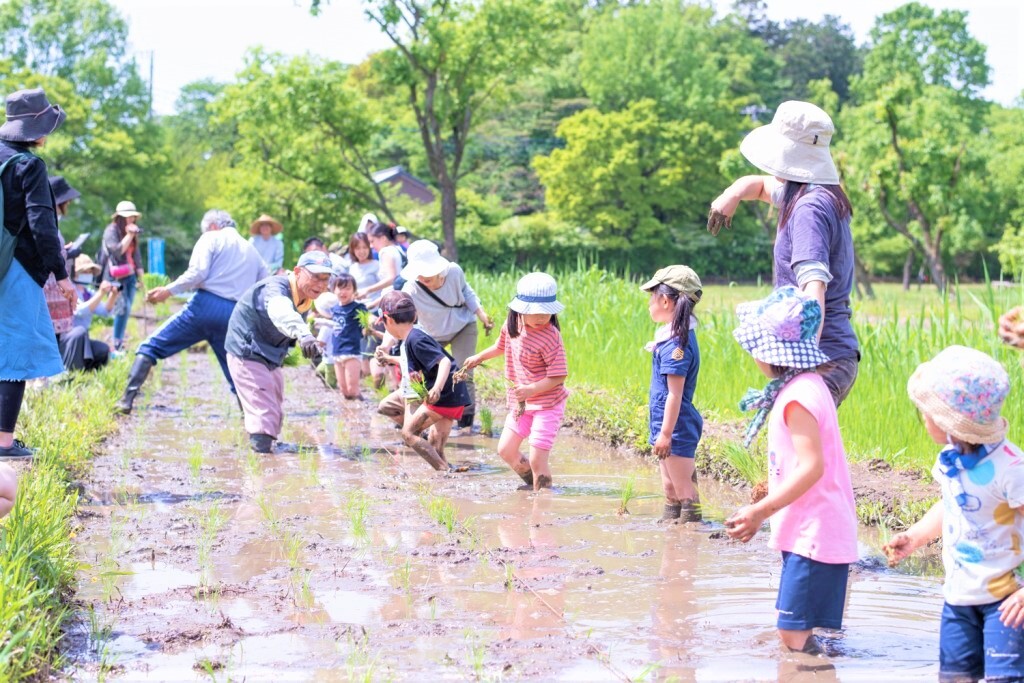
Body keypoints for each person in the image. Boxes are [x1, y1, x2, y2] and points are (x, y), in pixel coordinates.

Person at [724, 286, 857, 656]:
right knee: (797, 630)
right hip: (809, 528)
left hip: (814, 532)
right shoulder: (806, 385)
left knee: (791, 632)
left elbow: (813, 467)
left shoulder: (799, 397)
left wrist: (759, 510)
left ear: (770, 353)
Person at [885, 346, 1024, 682]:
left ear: (947, 420)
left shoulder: (1011, 467)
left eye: (926, 413)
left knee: (1004, 678)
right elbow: (949, 506)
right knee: (953, 677)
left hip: (1007, 600)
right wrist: (916, 536)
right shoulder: (950, 459)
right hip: (959, 596)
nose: (924, 419)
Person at [708, 101, 858, 407]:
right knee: (797, 450)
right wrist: (732, 193)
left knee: (802, 451)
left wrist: (804, 363)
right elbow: (762, 187)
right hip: (830, 352)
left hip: (822, 357)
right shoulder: (813, 192)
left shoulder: (808, 209)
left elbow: (813, 288)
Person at [114, 210, 269, 414]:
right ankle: (252, 421)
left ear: (212, 226)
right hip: (235, 315)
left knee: (150, 347)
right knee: (235, 372)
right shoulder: (253, 251)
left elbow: (197, 273)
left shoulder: (211, 237)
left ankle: (126, 401)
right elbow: (263, 288)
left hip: (204, 307)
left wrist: (168, 291)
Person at [0, 87, 75, 458]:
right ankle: (3, 444)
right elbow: (43, 225)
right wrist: (61, 276)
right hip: (13, 267)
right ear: (35, 128)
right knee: (16, 354)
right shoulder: (28, 165)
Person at [463, 273, 568, 490]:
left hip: (547, 404)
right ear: (520, 309)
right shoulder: (513, 326)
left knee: (538, 458)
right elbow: (501, 347)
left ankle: (542, 506)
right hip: (522, 403)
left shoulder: (551, 336)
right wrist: (479, 357)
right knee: (506, 450)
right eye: (535, 312)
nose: (541, 317)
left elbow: (558, 376)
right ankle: (534, 485)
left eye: (546, 312)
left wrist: (530, 389)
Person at [225, 251, 332, 453]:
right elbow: (280, 310)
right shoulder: (276, 287)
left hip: (271, 354)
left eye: (325, 278)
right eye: (315, 276)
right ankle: (262, 462)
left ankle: (265, 445)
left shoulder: (305, 298)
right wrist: (304, 334)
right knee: (264, 406)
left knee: (275, 401)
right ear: (298, 272)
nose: (320, 284)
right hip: (247, 350)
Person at [401, 239, 493, 431]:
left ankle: (466, 423)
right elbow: (401, 315)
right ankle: (431, 420)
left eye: (427, 276)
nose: (423, 280)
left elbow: (467, 292)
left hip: (462, 327)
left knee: (463, 373)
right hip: (433, 334)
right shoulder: (411, 289)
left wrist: (482, 315)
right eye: (419, 276)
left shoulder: (454, 272)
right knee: (432, 377)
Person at [375, 291, 469, 471]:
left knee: (409, 434)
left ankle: (444, 472)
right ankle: (448, 474)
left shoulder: (415, 339)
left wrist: (437, 389)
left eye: (384, 324)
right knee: (435, 445)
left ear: (389, 321)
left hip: (445, 394)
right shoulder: (411, 337)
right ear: (415, 314)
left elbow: (444, 361)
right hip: (454, 393)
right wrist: (389, 358)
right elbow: (419, 362)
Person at [640, 265, 704, 523]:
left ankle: (691, 536)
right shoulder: (670, 339)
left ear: (665, 300)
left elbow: (674, 395)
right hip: (664, 424)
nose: (649, 304)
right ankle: (671, 534)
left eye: (651, 297)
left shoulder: (677, 346)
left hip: (675, 428)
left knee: (685, 492)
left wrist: (666, 434)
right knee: (670, 489)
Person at [60, 254, 118, 372]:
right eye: (84, 271)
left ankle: (85, 370)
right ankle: (70, 371)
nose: (87, 275)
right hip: (68, 338)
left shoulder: (88, 292)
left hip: (83, 338)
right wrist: (101, 293)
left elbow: (105, 311)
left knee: (103, 350)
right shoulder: (70, 290)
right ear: (75, 273)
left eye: (89, 272)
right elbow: (80, 311)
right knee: (80, 332)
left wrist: (113, 296)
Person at [102, 200, 144, 354]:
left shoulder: (131, 233)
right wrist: (129, 235)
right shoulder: (111, 231)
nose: (131, 220)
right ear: (119, 217)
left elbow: (136, 255)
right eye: (128, 217)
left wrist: (142, 277)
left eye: (133, 217)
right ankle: (116, 342)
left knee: (126, 310)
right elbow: (117, 251)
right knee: (121, 308)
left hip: (130, 276)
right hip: (116, 277)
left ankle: (119, 340)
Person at [329, 273, 367, 399]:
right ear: (334, 289)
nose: (343, 292)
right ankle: (348, 415)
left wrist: (367, 328)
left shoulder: (358, 308)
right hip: (337, 351)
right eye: (340, 288)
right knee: (343, 389)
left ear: (354, 291)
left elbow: (366, 325)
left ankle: (360, 411)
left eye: (347, 288)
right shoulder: (334, 309)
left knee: (352, 388)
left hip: (351, 351)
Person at [356, 223, 403, 301]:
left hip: (393, 301)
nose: (371, 246)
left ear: (383, 238)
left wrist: (367, 290)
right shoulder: (398, 249)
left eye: (372, 241)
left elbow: (391, 278)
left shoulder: (385, 252)